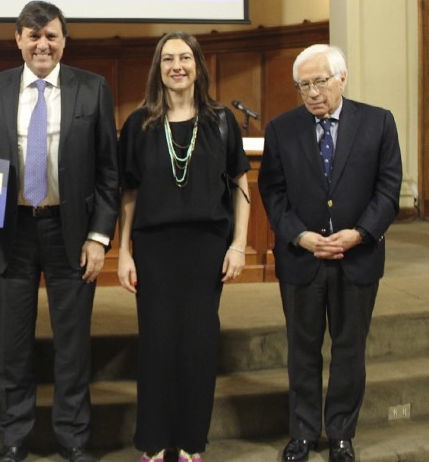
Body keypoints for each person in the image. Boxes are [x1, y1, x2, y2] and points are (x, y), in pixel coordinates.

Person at [0, 0, 119, 462]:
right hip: (12, 231)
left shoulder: (91, 89)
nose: (42, 44)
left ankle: (73, 439)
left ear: (63, 41)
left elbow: (108, 174)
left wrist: (98, 238)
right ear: (17, 39)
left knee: (72, 346)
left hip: (69, 233)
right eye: (33, 35)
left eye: (51, 35)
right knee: (12, 346)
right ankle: (14, 438)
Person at [258, 44, 402, 462]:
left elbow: (389, 188)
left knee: (349, 348)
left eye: (320, 82)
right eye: (304, 85)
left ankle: (341, 432)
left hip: (357, 257)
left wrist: (361, 233)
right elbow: (273, 190)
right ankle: (302, 433)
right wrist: (299, 236)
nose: (313, 93)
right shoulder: (282, 128)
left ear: (342, 78)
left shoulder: (377, 122)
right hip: (302, 258)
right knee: (302, 349)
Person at [116, 32, 250, 462]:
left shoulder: (221, 120)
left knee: (197, 346)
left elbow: (241, 185)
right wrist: (123, 251)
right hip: (154, 248)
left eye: (185, 58)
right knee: (156, 345)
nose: (177, 65)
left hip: (206, 249)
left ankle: (192, 444)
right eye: (168, 58)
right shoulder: (138, 124)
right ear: (158, 67)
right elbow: (129, 193)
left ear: (198, 66)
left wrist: (239, 245)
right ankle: (154, 443)